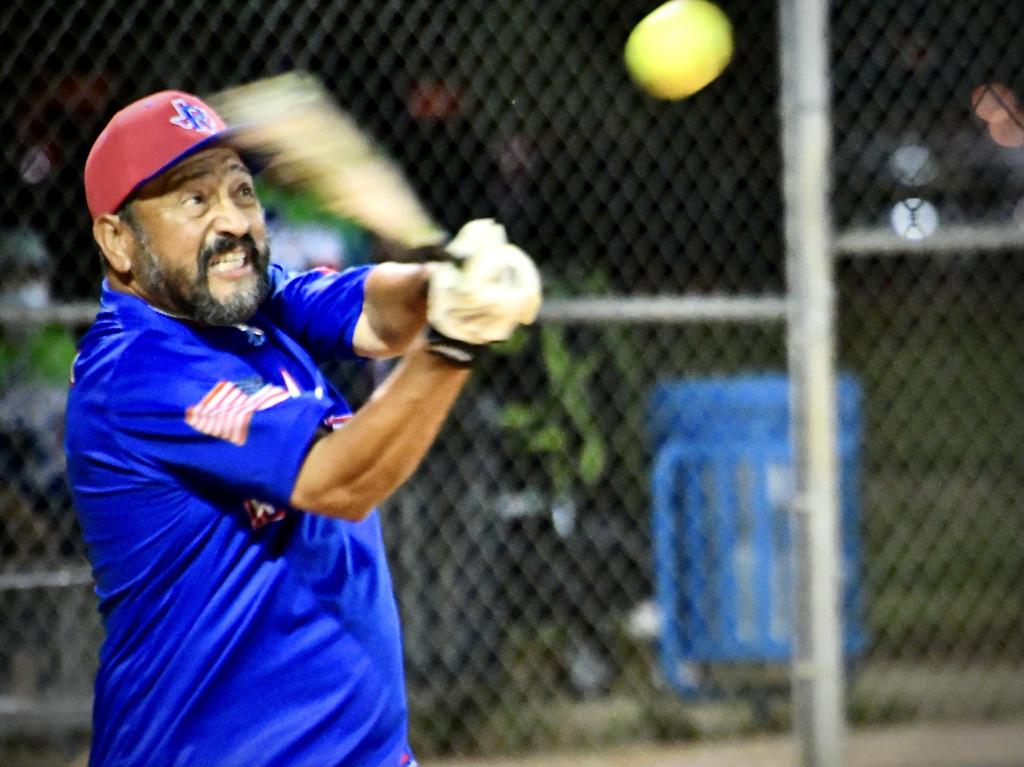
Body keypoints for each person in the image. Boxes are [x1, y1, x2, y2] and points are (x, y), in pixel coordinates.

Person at [65, 89, 541, 767]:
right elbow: (340, 478)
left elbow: (376, 313)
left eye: (241, 191)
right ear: (118, 241)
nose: (232, 221)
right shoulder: (141, 370)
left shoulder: (248, 300)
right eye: (194, 201)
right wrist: (454, 343)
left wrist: (444, 281)